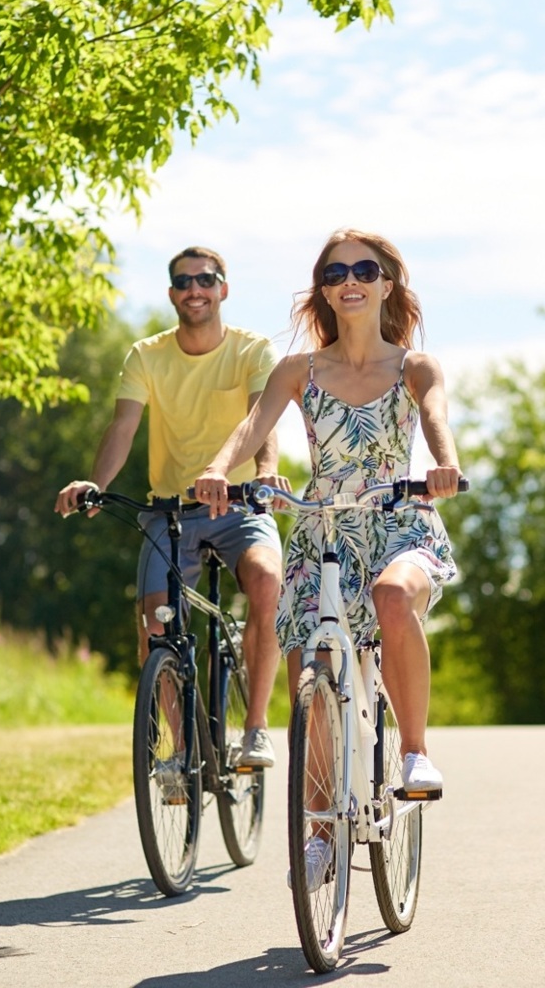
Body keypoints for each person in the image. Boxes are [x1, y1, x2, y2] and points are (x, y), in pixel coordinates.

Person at [192, 228, 462, 793]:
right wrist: (217, 469)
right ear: (325, 290)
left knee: (394, 596)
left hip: (398, 521)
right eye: (335, 274)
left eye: (365, 271)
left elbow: (434, 416)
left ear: (387, 285)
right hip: (324, 531)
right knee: (312, 673)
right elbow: (252, 426)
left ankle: (415, 753)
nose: (350, 282)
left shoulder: (415, 366)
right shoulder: (299, 370)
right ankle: (316, 829)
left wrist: (445, 464)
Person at [55, 246, 286, 767]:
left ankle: (255, 729)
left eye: (205, 279)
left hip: (238, 505)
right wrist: (94, 483)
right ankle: (182, 754)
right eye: (183, 282)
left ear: (223, 288)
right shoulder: (147, 355)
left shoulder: (252, 350)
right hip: (169, 511)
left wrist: (265, 472)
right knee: (154, 625)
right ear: (171, 294)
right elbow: (123, 427)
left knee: (268, 581)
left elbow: (261, 421)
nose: (194, 289)